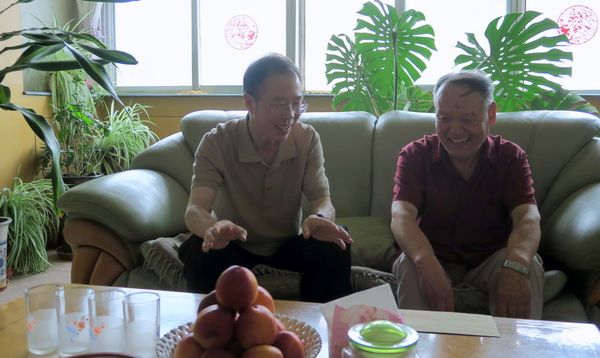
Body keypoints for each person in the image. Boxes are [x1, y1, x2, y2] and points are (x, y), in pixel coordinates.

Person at [178, 53, 353, 303]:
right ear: (250, 102)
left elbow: (323, 201)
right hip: (233, 244)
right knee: (198, 248)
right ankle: (210, 324)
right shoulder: (217, 142)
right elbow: (195, 209)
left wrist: (320, 217)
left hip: (288, 246)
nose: (290, 114)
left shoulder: (307, 139)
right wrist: (211, 227)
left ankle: (324, 324)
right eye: (279, 104)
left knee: (335, 241)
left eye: (297, 104)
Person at [390, 70, 545, 319]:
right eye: (444, 118)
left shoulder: (510, 157)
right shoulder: (415, 154)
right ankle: (421, 342)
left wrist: (516, 263)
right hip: (434, 254)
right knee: (410, 263)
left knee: (530, 265)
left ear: (490, 114)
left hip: (489, 259)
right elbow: (401, 216)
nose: (455, 130)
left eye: (468, 119)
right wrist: (426, 261)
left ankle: (516, 341)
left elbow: (527, 217)